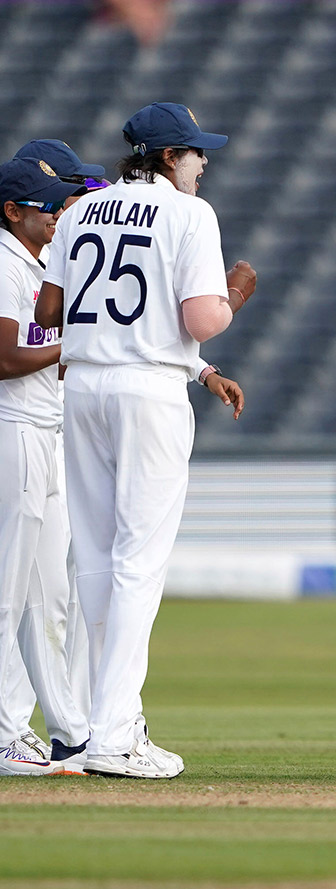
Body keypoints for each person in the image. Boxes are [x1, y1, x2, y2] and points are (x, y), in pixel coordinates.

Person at [34, 102, 257, 779]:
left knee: (97, 561)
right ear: (166, 158)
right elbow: (202, 317)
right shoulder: (190, 215)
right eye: (194, 154)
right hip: (148, 387)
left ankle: (107, 723)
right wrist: (238, 292)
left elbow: (48, 311)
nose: (203, 163)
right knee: (139, 563)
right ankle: (115, 732)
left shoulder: (77, 212)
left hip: (84, 384)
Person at [0, 157, 90, 776]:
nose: (56, 217)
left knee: (45, 596)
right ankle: (7, 734)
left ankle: (62, 732)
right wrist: (81, 342)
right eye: (45, 207)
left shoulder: (30, 262)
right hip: (14, 431)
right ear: (12, 212)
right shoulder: (4, 262)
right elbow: (6, 355)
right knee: (8, 594)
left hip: (40, 430)